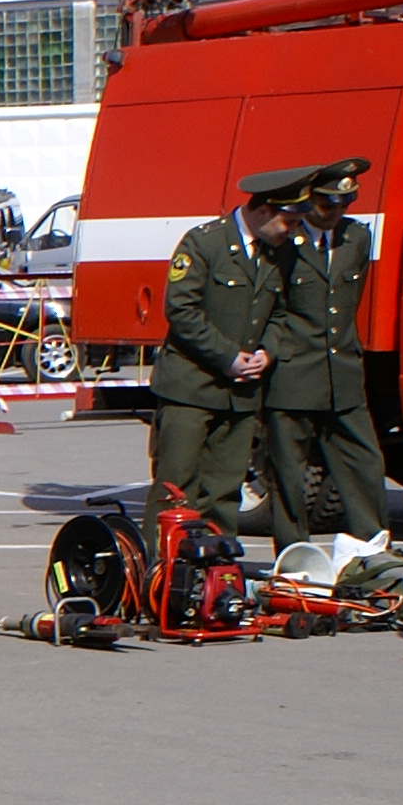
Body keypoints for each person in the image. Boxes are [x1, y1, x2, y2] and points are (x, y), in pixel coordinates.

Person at [149, 170, 300, 534]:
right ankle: (162, 572)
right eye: (289, 221)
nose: (293, 231)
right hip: (191, 387)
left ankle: (215, 573)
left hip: (240, 395)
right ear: (263, 211)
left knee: (223, 492)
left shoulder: (278, 252)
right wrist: (228, 357)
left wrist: (268, 351)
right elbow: (182, 312)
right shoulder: (205, 244)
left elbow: (280, 313)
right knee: (175, 488)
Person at [262, 157, 386, 543]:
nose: (337, 212)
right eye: (328, 205)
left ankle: (372, 548)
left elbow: (347, 303)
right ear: (309, 200)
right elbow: (270, 305)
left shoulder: (356, 238)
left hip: (343, 372)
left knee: (365, 462)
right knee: (288, 471)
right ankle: (293, 555)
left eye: (345, 204)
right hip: (294, 372)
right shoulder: (286, 243)